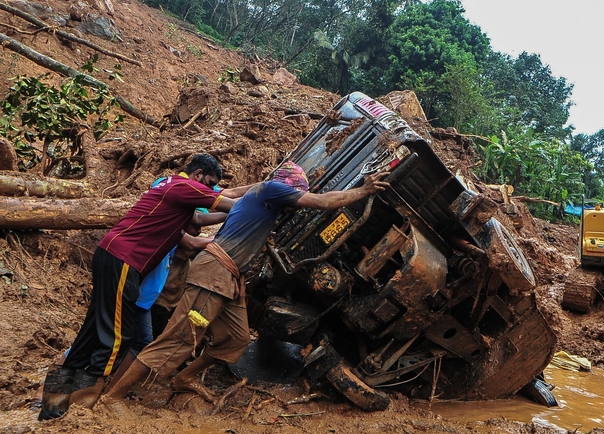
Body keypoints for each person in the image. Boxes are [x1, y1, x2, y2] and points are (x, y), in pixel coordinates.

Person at [102, 161, 390, 407]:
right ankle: (112, 398)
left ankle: (184, 378)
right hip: (214, 273)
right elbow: (322, 201)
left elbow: (233, 196)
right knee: (178, 339)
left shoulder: (260, 195)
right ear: (285, 187)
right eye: (295, 192)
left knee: (236, 339)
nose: (295, 198)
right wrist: (363, 190)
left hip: (229, 279)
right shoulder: (271, 189)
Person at [38, 153, 254, 421]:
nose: (209, 190)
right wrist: (267, 201)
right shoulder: (184, 187)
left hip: (112, 253)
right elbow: (234, 204)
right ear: (198, 175)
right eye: (209, 184)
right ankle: (83, 405)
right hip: (125, 259)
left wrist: (259, 188)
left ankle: (53, 404)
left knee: (95, 327)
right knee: (118, 335)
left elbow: (207, 213)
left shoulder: (173, 190)